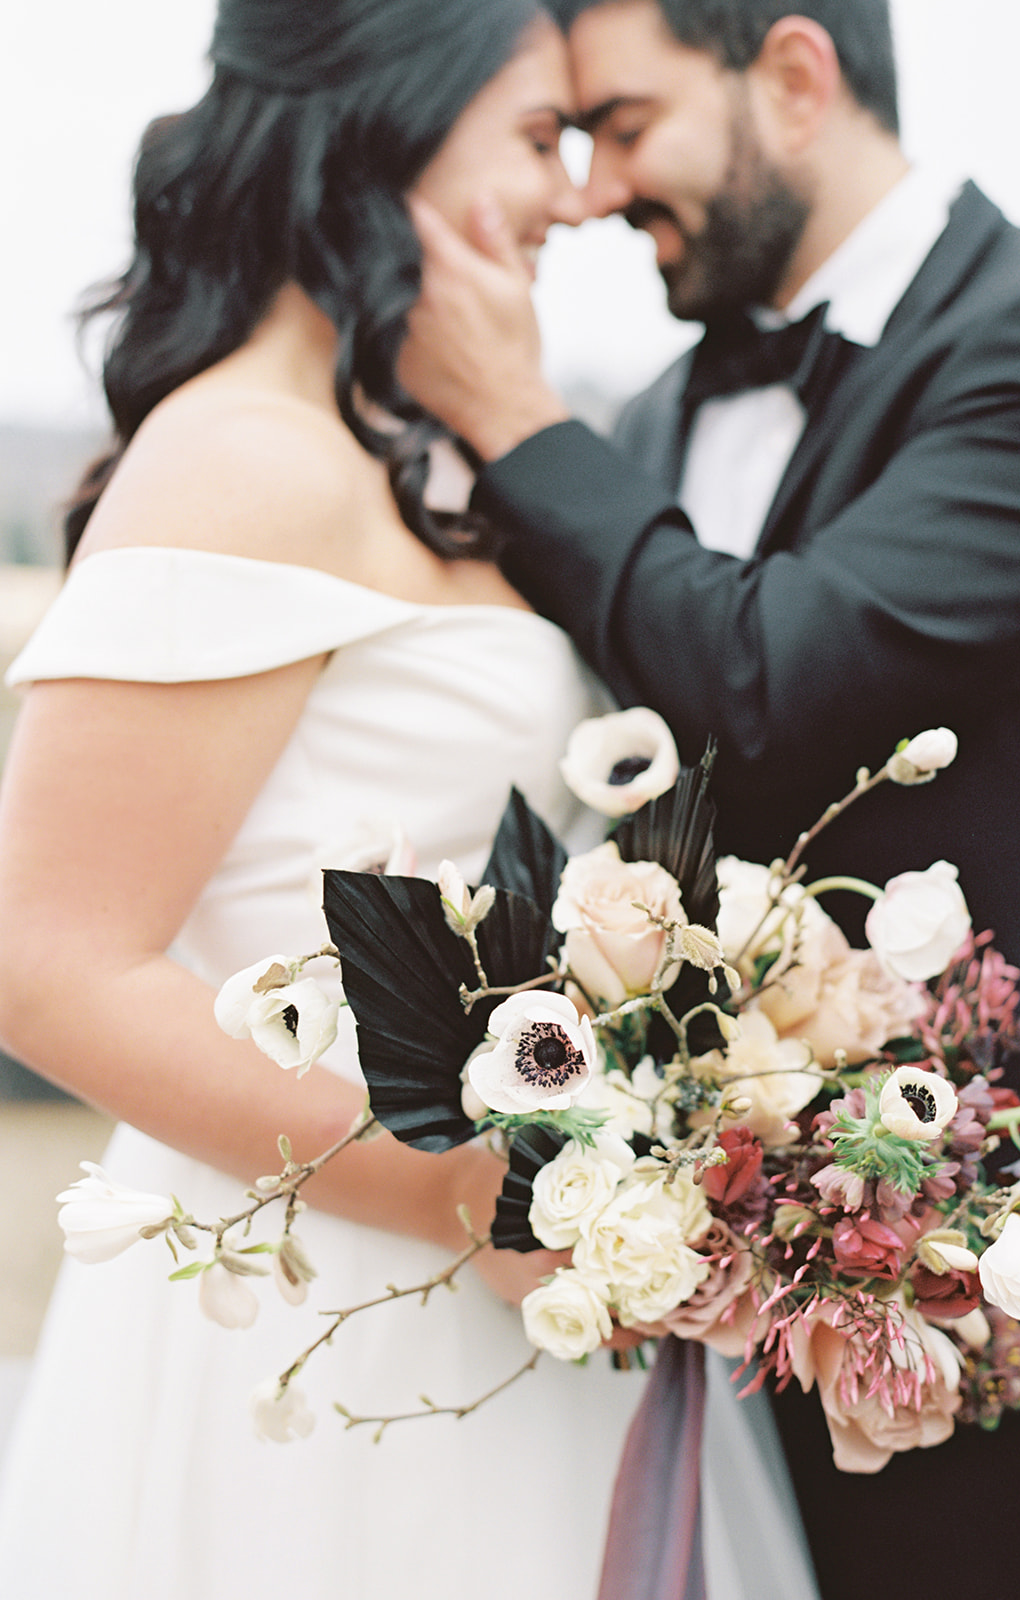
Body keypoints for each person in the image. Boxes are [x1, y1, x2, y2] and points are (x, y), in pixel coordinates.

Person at [393, 2, 1020, 1596]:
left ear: (793, 74)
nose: (600, 187)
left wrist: (510, 419)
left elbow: (778, 674)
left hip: (1011, 1278)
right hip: (714, 1291)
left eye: (623, 124)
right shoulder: (658, 420)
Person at [0, 5, 655, 1597]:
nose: (573, 197)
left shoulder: (415, 464)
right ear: (387, 131)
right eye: (534, 138)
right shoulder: (245, 455)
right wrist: (468, 1187)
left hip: (507, 1298)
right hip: (314, 1312)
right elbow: (47, 959)